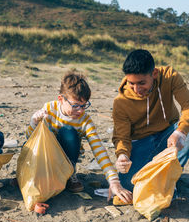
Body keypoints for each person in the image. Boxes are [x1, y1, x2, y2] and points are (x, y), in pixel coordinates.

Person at [27, 71, 132, 202]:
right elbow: (30, 139)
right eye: (75, 105)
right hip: (47, 157)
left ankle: (69, 174)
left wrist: (114, 181)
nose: (80, 110)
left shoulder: (85, 120)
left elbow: (99, 149)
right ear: (61, 99)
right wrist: (34, 122)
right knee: (46, 129)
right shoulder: (49, 109)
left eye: (84, 105)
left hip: (67, 159)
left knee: (69, 131)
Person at [112, 49, 189, 191]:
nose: (136, 89)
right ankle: (158, 177)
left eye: (141, 83)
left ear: (154, 74)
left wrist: (180, 132)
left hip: (168, 136)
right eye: (131, 83)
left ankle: (169, 177)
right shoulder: (121, 102)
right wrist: (122, 154)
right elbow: (121, 136)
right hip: (141, 143)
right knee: (127, 185)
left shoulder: (169, 76)